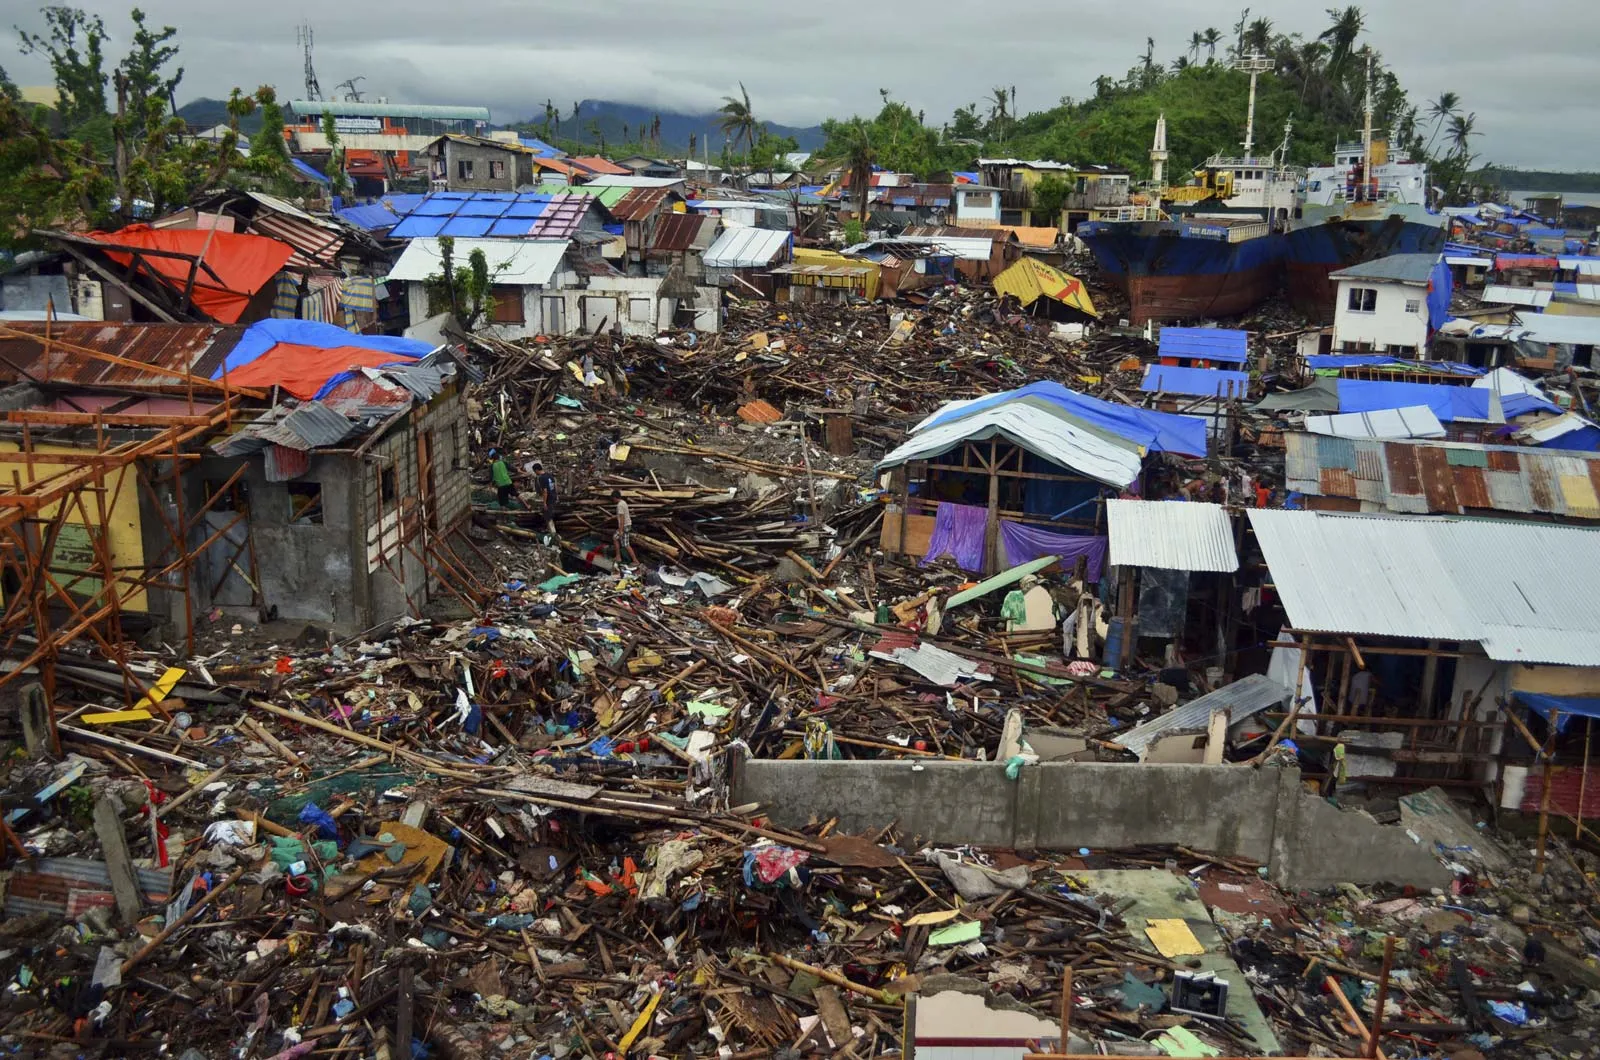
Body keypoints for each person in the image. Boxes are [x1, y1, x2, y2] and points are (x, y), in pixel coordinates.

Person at [613, 489, 639, 566]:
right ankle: (619, 556)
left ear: (615, 497)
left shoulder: (620, 505)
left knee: (623, 543)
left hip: (624, 526)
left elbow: (622, 518)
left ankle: (634, 560)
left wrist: (621, 530)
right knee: (621, 541)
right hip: (627, 525)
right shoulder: (623, 502)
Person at [532, 461, 558, 532]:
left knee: (548, 516)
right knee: (548, 513)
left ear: (536, 470)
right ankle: (546, 528)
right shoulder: (549, 475)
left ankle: (551, 532)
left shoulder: (541, 478)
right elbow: (554, 486)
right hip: (553, 496)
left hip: (549, 498)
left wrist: (544, 503)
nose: (535, 473)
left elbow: (545, 491)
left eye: (534, 471)